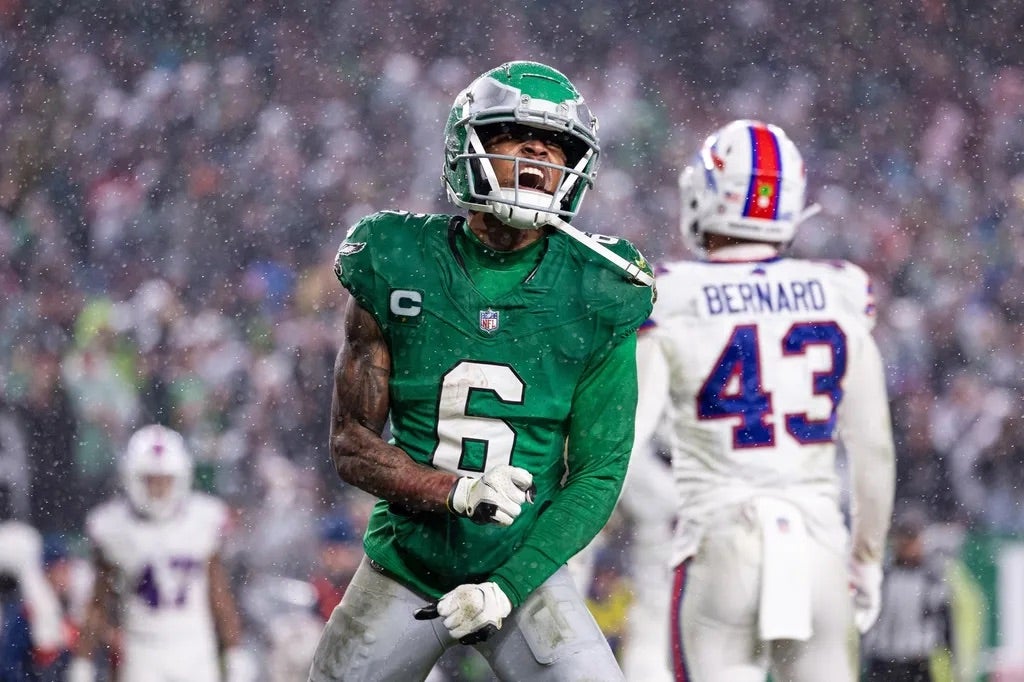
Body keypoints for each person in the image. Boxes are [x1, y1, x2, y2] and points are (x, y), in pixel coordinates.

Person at [307, 60, 655, 682]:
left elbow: (600, 474)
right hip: (407, 561)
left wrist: (504, 587)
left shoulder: (600, 287)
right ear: (468, 146)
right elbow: (350, 444)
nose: (538, 156)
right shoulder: (396, 260)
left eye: (557, 146)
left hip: (525, 567)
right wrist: (457, 490)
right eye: (514, 137)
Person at [634, 119, 896, 681]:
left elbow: (623, 440)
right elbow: (873, 450)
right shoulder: (839, 290)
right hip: (819, 545)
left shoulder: (673, 292)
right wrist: (867, 558)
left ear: (707, 193)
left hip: (720, 538)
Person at [66, 424, 256, 682]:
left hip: (195, 645)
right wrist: (83, 660)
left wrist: (235, 649)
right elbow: (98, 604)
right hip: (140, 648)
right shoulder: (112, 527)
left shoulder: (203, 520)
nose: (158, 488)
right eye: (150, 480)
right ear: (132, 478)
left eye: (165, 480)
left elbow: (218, 594)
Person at [861, 508, 952, 682]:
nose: (906, 545)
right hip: (882, 661)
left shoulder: (931, 579)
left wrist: (952, 661)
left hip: (917, 663)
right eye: (903, 537)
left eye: (912, 538)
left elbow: (946, 623)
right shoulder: (882, 576)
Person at [0, 519, 67, 681]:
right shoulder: (25, 608)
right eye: (60, 568)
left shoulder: (50, 604)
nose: (66, 575)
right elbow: (10, 664)